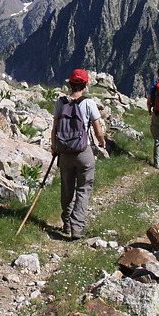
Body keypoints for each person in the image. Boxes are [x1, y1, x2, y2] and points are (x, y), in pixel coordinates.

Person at [51, 69, 106, 239]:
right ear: (85, 84)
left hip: (64, 153)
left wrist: (54, 147)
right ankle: (77, 226)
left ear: (70, 84)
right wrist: (102, 142)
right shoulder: (88, 103)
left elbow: (54, 128)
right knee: (83, 188)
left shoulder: (60, 102)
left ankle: (66, 223)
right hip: (83, 151)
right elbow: (97, 130)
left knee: (67, 189)